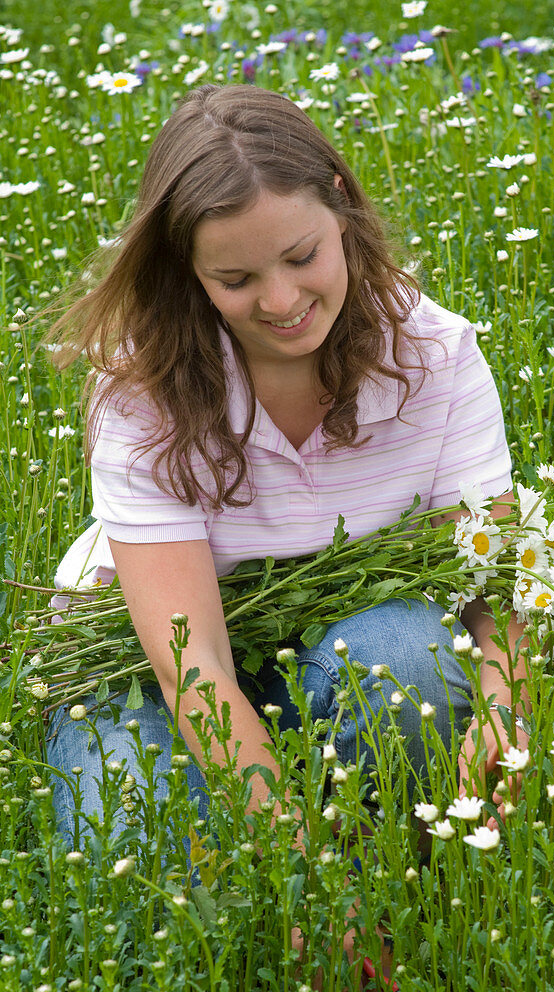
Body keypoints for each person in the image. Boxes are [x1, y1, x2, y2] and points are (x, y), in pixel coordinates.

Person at [46, 84, 528, 848]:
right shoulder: (143, 390)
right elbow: (191, 664)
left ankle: (392, 856)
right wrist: (298, 862)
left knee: (415, 666)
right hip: (149, 667)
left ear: (340, 203)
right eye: (234, 281)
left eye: (301, 256)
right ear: (187, 271)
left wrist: (504, 711)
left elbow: (495, 583)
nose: (281, 301)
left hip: (331, 635)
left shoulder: (433, 355)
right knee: (142, 836)